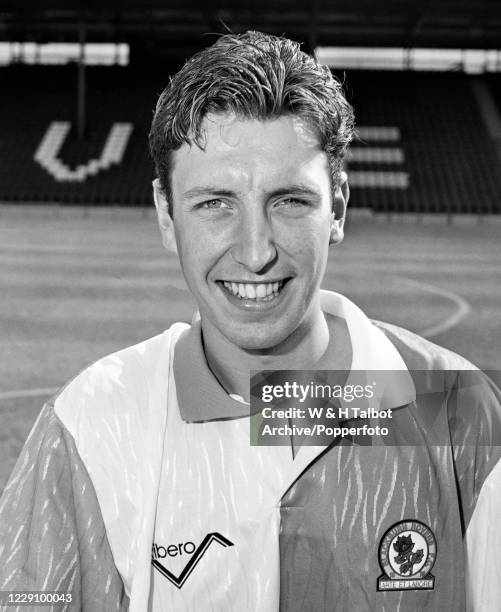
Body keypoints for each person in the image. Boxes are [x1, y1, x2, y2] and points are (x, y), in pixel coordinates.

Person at [1, 30, 500, 612]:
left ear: (336, 207)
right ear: (166, 214)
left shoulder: (460, 409)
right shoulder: (88, 425)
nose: (256, 251)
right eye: (215, 203)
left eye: (289, 201)